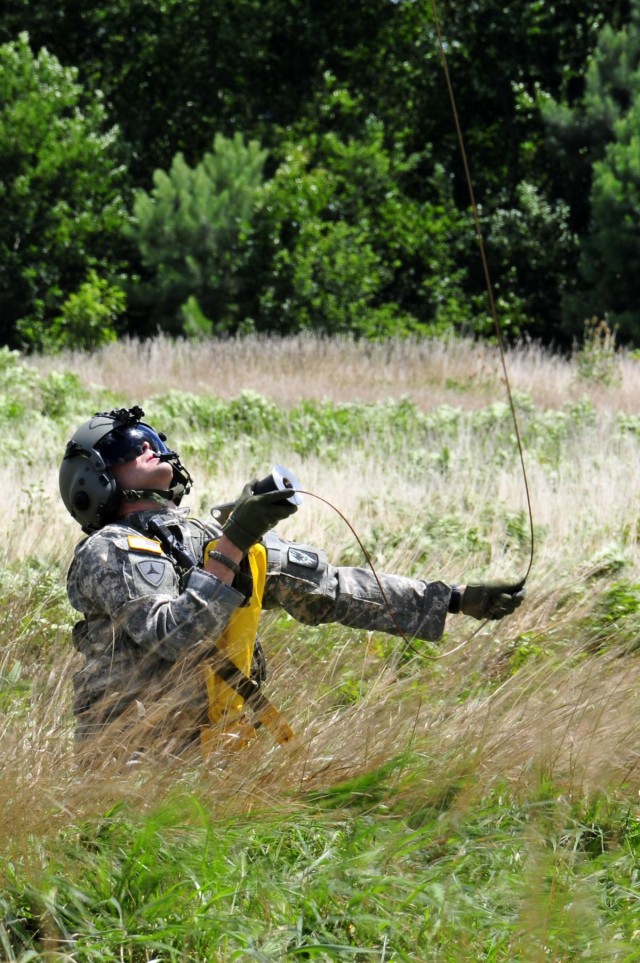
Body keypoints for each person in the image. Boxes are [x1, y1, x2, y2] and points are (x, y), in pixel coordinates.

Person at [59, 405, 525, 759]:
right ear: (93, 481)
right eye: (125, 448)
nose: (147, 447)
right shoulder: (108, 550)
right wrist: (235, 541)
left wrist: (452, 599)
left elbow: (328, 591)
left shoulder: (206, 537)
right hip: (132, 763)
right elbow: (175, 636)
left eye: (151, 439)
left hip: (216, 757)